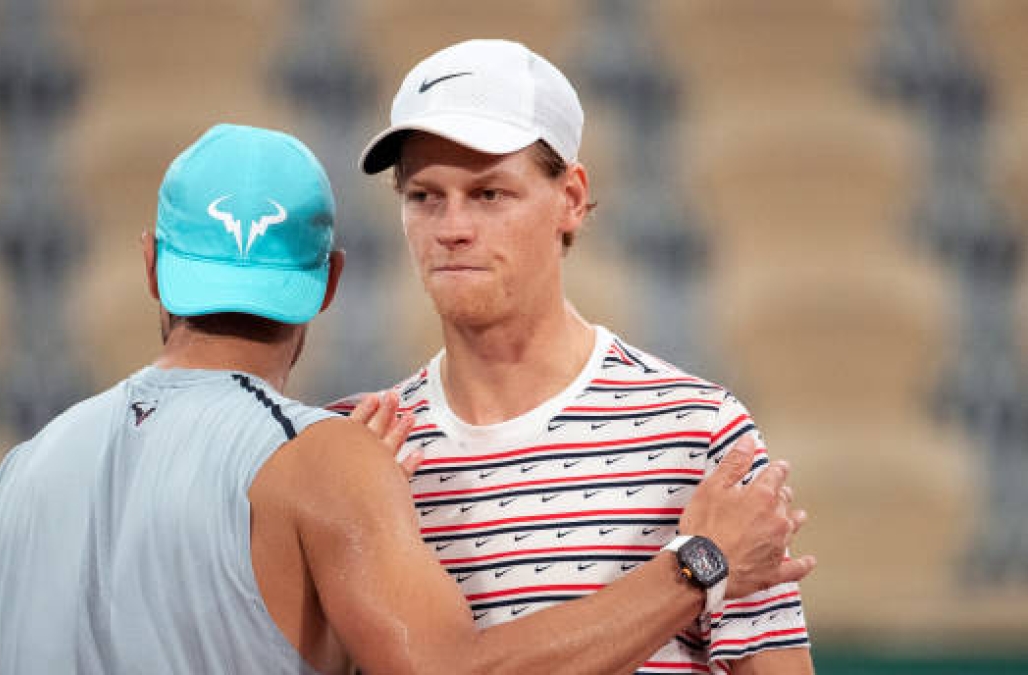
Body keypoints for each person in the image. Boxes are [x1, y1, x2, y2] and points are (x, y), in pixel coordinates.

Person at [0, 123, 813, 675]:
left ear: (152, 265)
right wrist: (698, 563)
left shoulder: (2, 488)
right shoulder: (323, 459)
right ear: (328, 283)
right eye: (427, 196)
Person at [335, 39, 816, 674]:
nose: (451, 227)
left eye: (488, 194)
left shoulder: (701, 428)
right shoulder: (358, 453)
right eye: (424, 196)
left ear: (570, 198)